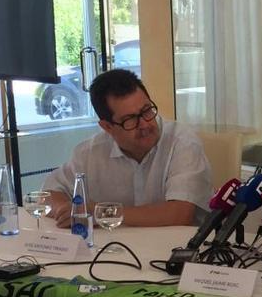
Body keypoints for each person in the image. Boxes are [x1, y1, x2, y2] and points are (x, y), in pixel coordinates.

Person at [43, 69, 212, 227]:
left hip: (176, 249)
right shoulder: (90, 152)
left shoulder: (182, 142)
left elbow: (180, 214)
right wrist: (66, 211)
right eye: (130, 119)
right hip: (112, 249)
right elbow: (48, 194)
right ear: (107, 127)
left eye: (146, 111)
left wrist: (101, 213)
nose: (145, 124)